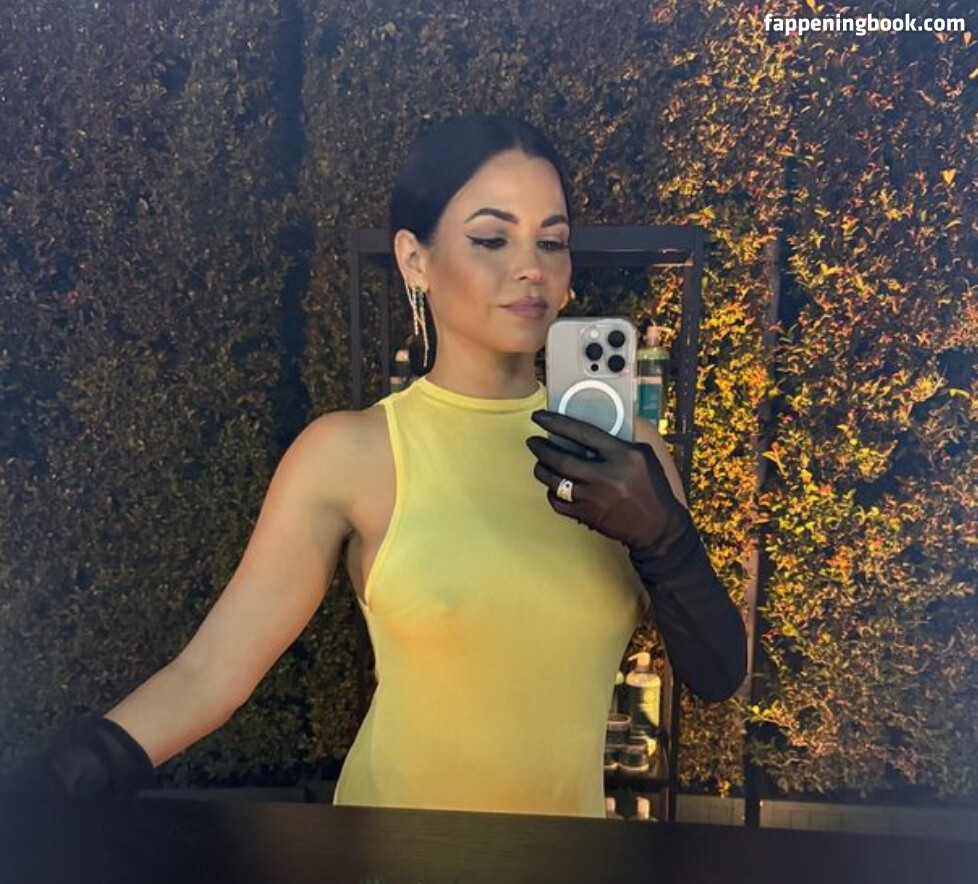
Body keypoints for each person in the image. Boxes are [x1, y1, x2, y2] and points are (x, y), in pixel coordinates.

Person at [0, 113, 746, 818]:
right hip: (385, 856)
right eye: (492, 238)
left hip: (565, 859)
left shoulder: (628, 454)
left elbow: (716, 676)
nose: (530, 268)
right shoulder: (350, 453)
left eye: (552, 242)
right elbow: (211, 673)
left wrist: (665, 541)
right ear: (414, 260)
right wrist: (55, 784)